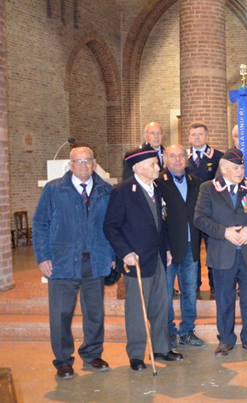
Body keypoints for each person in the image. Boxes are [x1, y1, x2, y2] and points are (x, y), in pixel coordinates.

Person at [33, 146, 115, 380]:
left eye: (87, 160)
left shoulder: (105, 191)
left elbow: (111, 227)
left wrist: (111, 256)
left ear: (94, 163)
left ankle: (92, 355)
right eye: (78, 161)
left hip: (95, 262)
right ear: (70, 164)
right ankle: (63, 361)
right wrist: (43, 257)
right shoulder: (54, 189)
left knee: (95, 313)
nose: (83, 165)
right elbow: (40, 224)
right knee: (61, 314)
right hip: (62, 262)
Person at [104, 144, 183, 371]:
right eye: (153, 164)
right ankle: (137, 353)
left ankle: (160, 347)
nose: (158, 166)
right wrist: (125, 252)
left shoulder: (157, 188)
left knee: (160, 304)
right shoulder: (122, 191)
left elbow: (162, 223)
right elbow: (110, 227)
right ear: (138, 167)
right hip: (135, 260)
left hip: (157, 257)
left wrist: (166, 248)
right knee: (138, 308)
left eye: (157, 163)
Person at [194, 149, 247, 357]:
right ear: (223, 168)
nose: (240, 171)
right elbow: (200, 218)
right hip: (222, 254)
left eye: (242, 167)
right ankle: (225, 340)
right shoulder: (208, 188)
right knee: (224, 299)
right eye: (236, 167)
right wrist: (224, 232)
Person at [156, 144, 205, 349]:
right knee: (165, 293)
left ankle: (187, 331)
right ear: (165, 159)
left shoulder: (198, 182)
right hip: (168, 249)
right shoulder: (158, 184)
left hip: (191, 245)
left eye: (181, 156)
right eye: (173, 156)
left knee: (189, 290)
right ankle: (168, 331)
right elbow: (157, 220)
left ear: (187, 159)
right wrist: (164, 247)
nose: (178, 160)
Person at [186, 121, 223, 296]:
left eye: (200, 134)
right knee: (193, 249)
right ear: (189, 137)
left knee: (212, 248)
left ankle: (215, 284)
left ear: (207, 136)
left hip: (212, 213)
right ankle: (194, 284)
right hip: (190, 212)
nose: (197, 137)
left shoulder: (218, 157)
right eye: (193, 135)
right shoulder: (182, 158)